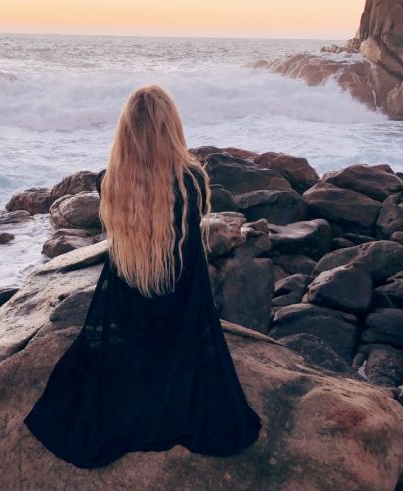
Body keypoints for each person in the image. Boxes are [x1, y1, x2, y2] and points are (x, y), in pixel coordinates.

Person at [23, 85, 261, 469]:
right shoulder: (193, 179)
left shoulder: (110, 180)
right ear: (172, 127)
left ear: (126, 130)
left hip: (130, 302)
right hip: (181, 305)